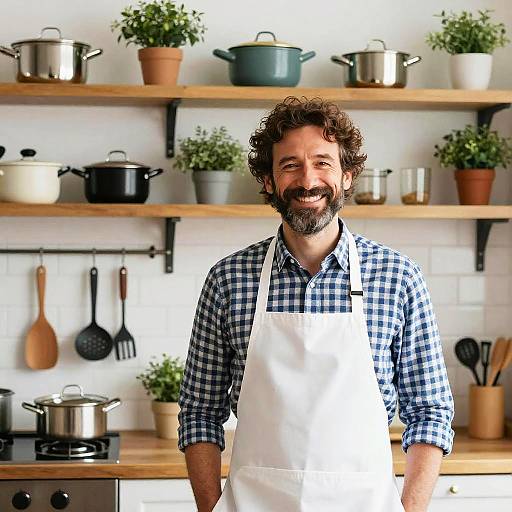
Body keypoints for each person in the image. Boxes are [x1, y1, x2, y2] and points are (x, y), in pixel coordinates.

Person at [178, 96, 454, 512]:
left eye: (323, 162)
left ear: (347, 175)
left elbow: (431, 412)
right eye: (289, 164)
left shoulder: (398, 278)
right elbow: (199, 412)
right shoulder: (228, 280)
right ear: (269, 181)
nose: (308, 180)